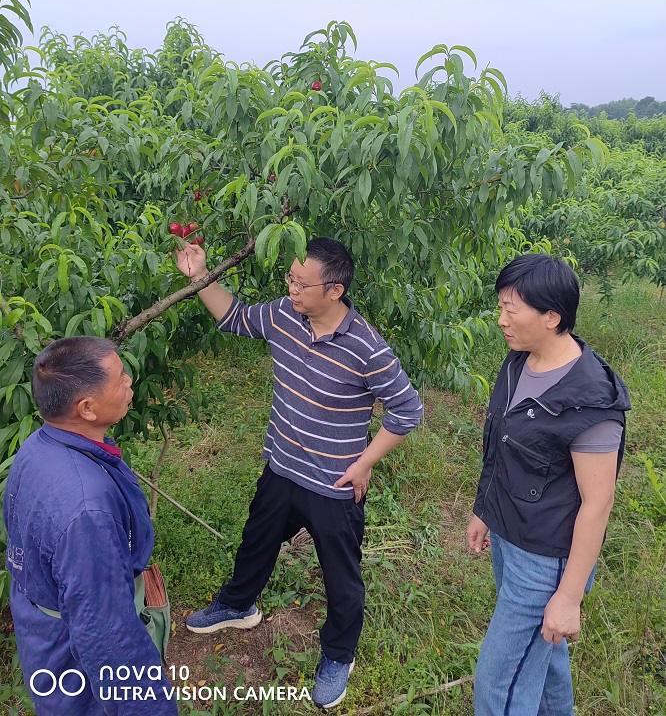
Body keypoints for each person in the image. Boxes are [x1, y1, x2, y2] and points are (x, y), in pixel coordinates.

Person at [176, 236, 423, 709]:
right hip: (282, 465)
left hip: (333, 483)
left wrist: (363, 463)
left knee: (341, 577)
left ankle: (339, 654)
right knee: (257, 540)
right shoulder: (284, 315)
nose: (291, 289)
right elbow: (235, 316)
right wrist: (200, 276)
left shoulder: (366, 347)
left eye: (301, 284)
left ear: (335, 290)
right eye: (290, 278)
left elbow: (408, 409)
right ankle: (237, 605)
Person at [467, 254, 630, 716]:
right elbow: (500, 442)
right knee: (544, 657)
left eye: (511, 310)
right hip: (509, 534)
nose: (501, 320)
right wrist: (484, 509)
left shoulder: (590, 402)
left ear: (551, 317)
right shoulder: (520, 360)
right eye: (500, 307)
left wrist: (569, 595)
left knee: (497, 685)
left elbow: (598, 504)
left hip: (546, 559)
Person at [3, 336, 177, 716]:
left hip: (41, 628)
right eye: (120, 378)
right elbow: (108, 636)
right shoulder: (88, 512)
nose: (130, 382)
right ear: (86, 408)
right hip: (73, 661)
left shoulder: (38, 447)